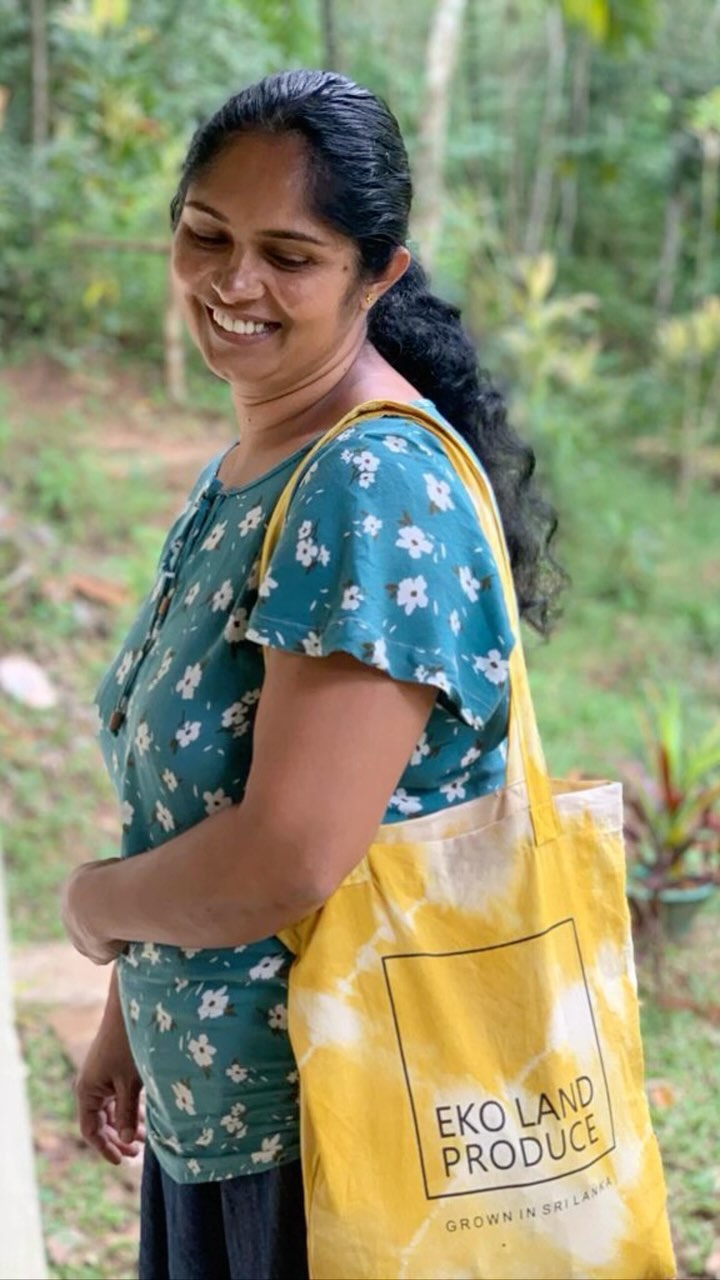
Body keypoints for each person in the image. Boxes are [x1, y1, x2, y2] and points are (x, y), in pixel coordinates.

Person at [61, 69, 563, 1280]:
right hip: (229, 1114)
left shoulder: (367, 483)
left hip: (336, 1142)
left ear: (376, 275)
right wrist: (131, 1007)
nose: (235, 282)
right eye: (207, 235)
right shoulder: (262, 455)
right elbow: (213, 799)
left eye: (290, 254)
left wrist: (94, 909)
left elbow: (287, 855)